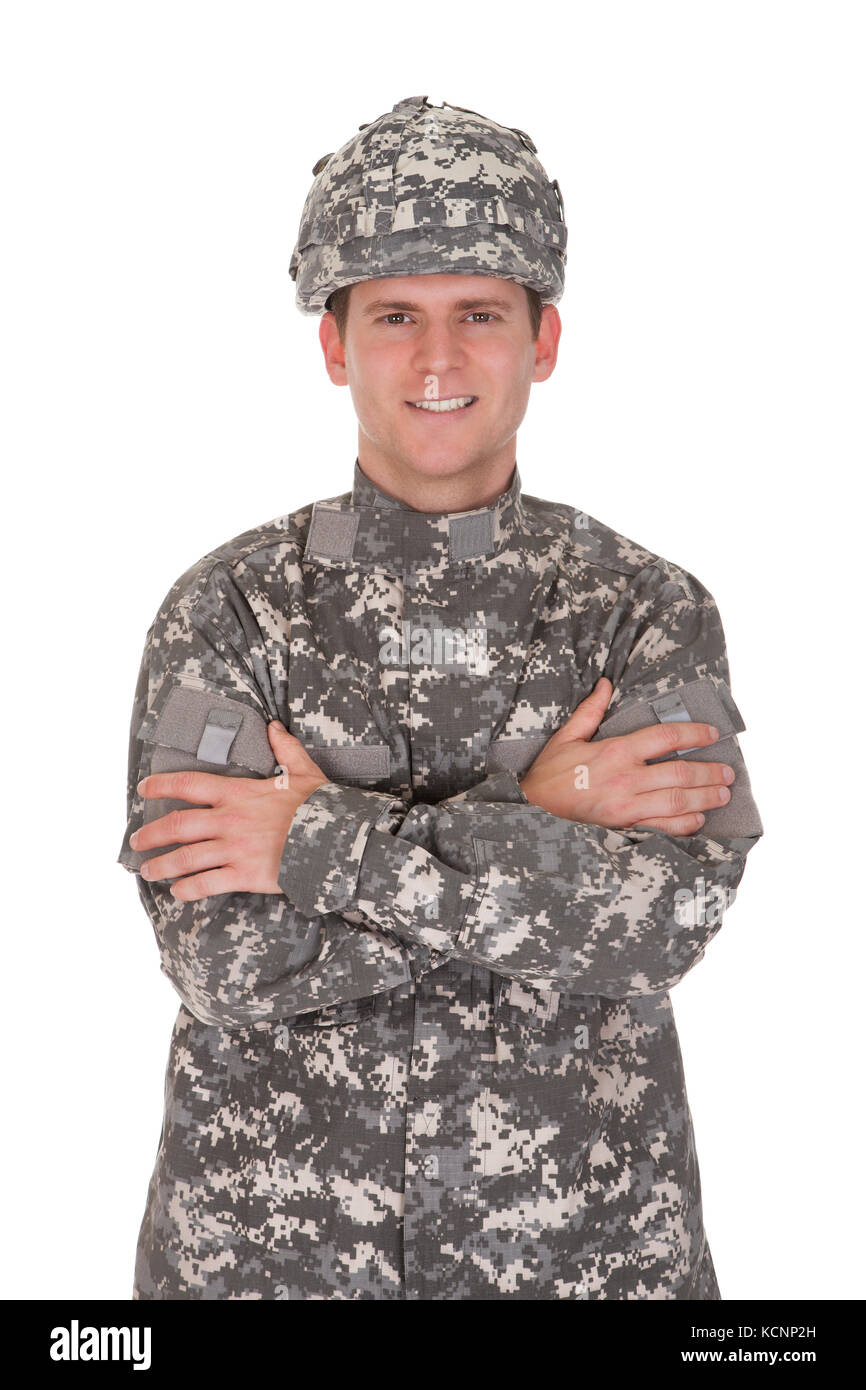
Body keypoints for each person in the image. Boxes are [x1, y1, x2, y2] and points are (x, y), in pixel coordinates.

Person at [118, 95, 764, 1300]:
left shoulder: (642, 612)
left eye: (478, 315)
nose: (435, 360)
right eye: (394, 317)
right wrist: (546, 810)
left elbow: (656, 928)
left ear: (543, 338)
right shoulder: (225, 613)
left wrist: (306, 835)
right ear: (332, 344)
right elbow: (221, 955)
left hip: (588, 1258)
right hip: (268, 1263)